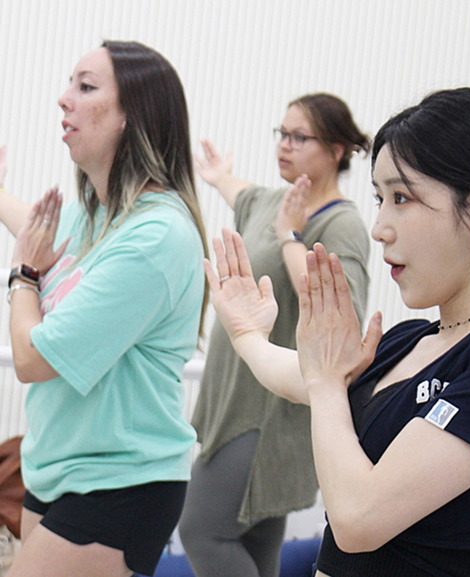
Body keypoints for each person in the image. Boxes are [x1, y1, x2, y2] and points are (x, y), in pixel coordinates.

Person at [204, 88, 470, 577]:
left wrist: (326, 384)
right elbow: (303, 374)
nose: (380, 227)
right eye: (379, 199)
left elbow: (358, 518)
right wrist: (247, 334)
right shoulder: (412, 340)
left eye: (401, 198)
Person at [0, 41, 207, 577]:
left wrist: (24, 275)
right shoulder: (97, 214)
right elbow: (43, 233)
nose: (64, 99)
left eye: (86, 87)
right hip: (57, 468)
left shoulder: (157, 235)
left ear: (130, 116)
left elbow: (33, 358)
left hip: (121, 481)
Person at [179, 94, 371, 577]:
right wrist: (219, 175)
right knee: (258, 544)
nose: (284, 145)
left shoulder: (341, 223)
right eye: (281, 134)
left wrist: (290, 236)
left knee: (201, 531)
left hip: (270, 416)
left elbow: (337, 311)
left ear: (337, 150)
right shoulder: (271, 201)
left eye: (299, 137)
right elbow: (241, 193)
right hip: (236, 398)